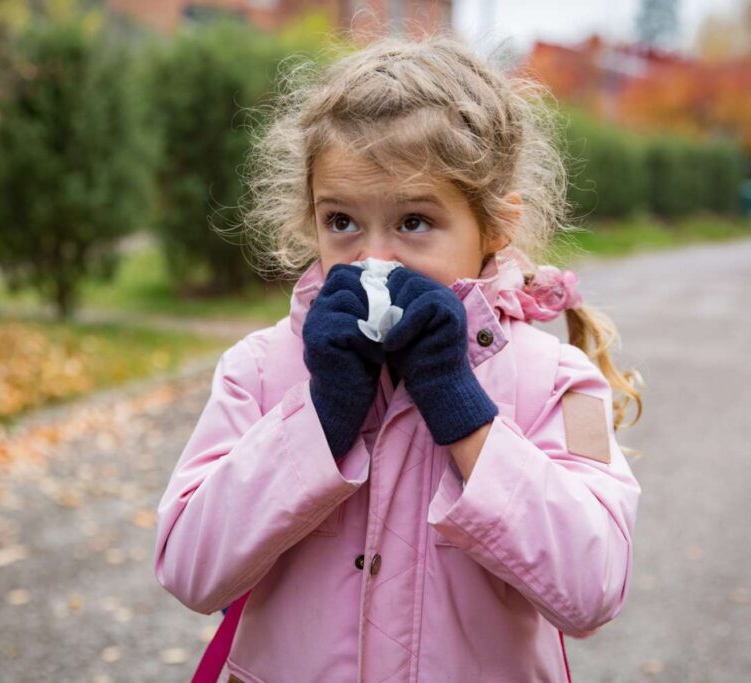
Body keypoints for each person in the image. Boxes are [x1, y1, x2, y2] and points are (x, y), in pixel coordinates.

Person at [153, 32, 644, 683]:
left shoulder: (556, 384)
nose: (374, 259)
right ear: (311, 220)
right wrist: (321, 416)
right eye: (342, 222)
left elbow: (593, 587)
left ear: (496, 224)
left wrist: (461, 408)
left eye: (413, 221)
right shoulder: (263, 368)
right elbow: (190, 568)